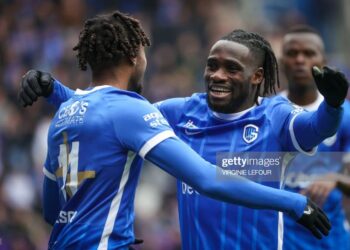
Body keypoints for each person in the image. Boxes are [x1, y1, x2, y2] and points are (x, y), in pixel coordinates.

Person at [19, 21, 349, 249]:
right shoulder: (182, 111)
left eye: (232, 68)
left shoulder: (275, 115)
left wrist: (332, 107)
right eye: (212, 65)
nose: (218, 75)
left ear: (256, 76)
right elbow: (112, 113)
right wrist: (55, 90)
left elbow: (315, 130)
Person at [279, 25, 350, 250]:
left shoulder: (346, 115)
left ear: (323, 60)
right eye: (292, 53)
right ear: (281, 62)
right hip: (280, 240)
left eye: (309, 54)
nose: (300, 60)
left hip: (331, 241)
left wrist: (334, 178)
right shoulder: (267, 113)